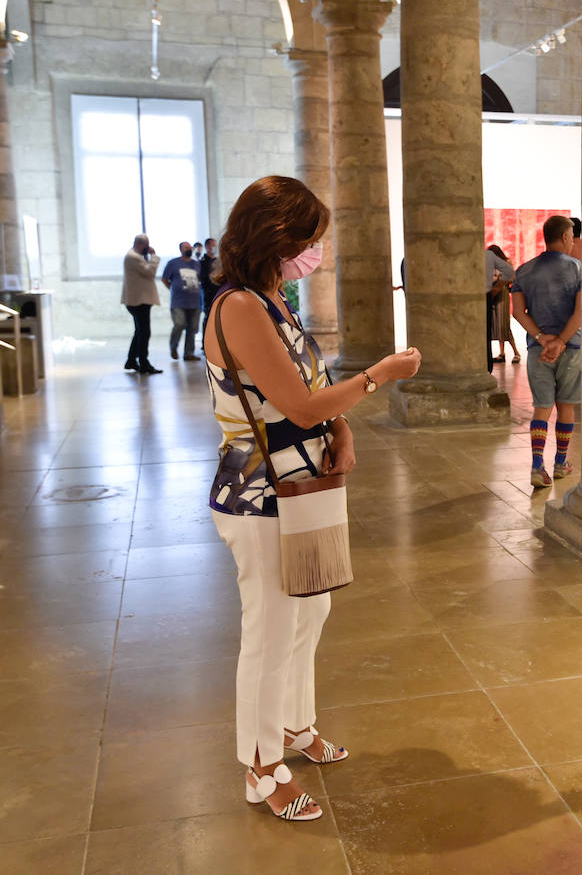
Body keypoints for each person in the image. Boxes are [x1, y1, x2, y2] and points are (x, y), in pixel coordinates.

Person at [205, 175, 421, 823]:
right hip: (260, 489)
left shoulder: (275, 299)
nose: (314, 252)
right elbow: (296, 405)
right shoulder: (239, 307)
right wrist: (378, 376)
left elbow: (311, 387)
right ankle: (260, 767)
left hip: (305, 480)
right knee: (269, 630)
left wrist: (345, 427)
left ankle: (295, 727)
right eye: (308, 240)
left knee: (309, 614)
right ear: (276, 238)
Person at [511, 215, 582, 488]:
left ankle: (537, 466)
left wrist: (543, 339)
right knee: (566, 407)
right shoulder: (578, 269)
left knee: (541, 407)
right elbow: (580, 311)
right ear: (565, 237)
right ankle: (561, 463)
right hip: (572, 348)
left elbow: (518, 312)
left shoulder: (524, 271)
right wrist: (561, 341)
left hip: (538, 351)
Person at [121, 233, 162, 374]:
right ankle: (144, 363)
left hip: (139, 300)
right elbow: (150, 272)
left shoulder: (134, 256)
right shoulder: (133, 257)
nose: (148, 248)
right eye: (146, 245)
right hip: (139, 301)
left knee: (140, 332)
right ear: (140, 245)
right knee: (144, 332)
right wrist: (154, 257)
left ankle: (131, 360)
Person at [162, 242, 203, 361]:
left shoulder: (196, 264)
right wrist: (173, 289)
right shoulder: (173, 263)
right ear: (180, 250)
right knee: (179, 324)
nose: (189, 249)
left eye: (190, 247)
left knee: (193, 328)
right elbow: (165, 279)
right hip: (178, 302)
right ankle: (173, 347)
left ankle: (189, 353)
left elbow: (199, 279)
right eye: (186, 248)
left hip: (195, 302)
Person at [487, 244, 521, 365]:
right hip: (492, 294)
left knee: (503, 326)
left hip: (502, 295)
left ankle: (516, 352)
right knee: (495, 325)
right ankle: (502, 353)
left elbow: (511, 277)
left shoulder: (506, 263)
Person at [199, 237, 220, 336]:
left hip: (218, 291)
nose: (214, 247)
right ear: (207, 246)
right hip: (208, 293)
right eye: (212, 245)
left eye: (215, 245)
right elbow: (204, 278)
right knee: (208, 317)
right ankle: (205, 343)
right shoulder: (202, 262)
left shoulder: (219, 261)